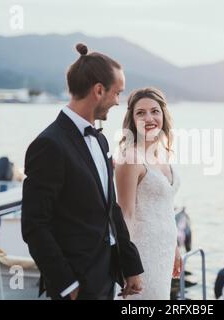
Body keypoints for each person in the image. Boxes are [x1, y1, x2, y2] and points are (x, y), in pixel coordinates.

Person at [21, 43, 143, 300]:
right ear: (99, 90)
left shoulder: (100, 140)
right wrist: (66, 284)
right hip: (76, 283)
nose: (118, 102)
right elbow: (35, 225)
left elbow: (111, 208)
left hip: (108, 275)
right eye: (117, 93)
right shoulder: (49, 145)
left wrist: (131, 266)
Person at [115, 87, 182, 299]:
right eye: (140, 113)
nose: (149, 118)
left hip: (164, 251)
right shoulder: (130, 158)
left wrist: (175, 247)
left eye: (154, 111)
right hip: (142, 253)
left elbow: (166, 207)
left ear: (163, 114)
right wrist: (128, 265)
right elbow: (125, 213)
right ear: (132, 119)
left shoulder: (163, 155)